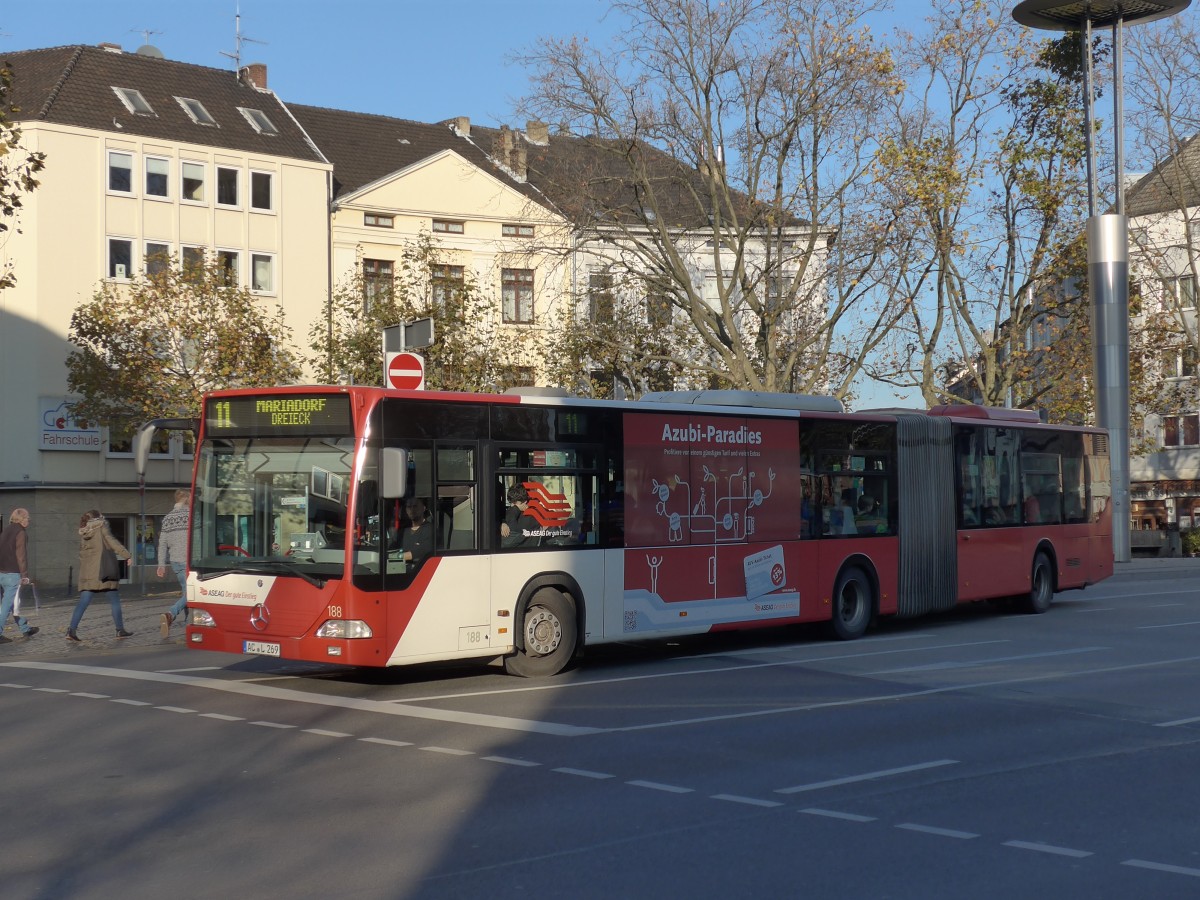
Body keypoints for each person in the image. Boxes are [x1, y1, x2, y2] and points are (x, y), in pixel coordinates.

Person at [67, 509, 133, 641]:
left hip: (89, 573)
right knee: (114, 600)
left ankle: (71, 631)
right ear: (98, 518)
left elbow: (81, 554)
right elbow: (112, 541)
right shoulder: (101, 527)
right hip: (103, 571)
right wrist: (127, 555)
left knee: (83, 602)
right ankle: (120, 630)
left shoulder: (84, 532)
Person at [0, 508, 40, 643]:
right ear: (21, 519)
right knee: (6, 605)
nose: (29, 520)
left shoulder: (6, 530)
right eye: (27, 518)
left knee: (12, 603)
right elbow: (21, 555)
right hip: (13, 573)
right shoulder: (21, 532)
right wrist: (24, 575)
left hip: (1, 572)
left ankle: (25, 628)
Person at [157, 489, 190, 637]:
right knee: (192, 594)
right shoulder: (191, 516)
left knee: (187, 593)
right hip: (189, 562)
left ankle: (189, 624)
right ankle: (171, 613)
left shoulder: (167, 518)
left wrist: (161, 564)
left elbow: (162, 543)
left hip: (176, 562)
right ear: (187, 499)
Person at [400, 498, 434, 563]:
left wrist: (398, 556)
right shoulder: (403, 531)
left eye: (415, 506)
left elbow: (423, 551)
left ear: (423, 508)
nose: (412, 510)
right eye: (409, 507)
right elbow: (393, 547)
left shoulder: (430, 529)